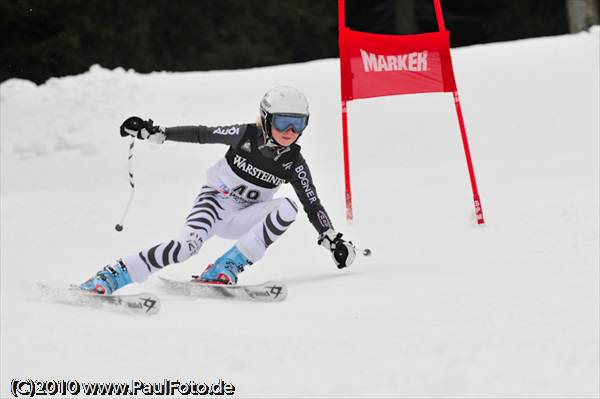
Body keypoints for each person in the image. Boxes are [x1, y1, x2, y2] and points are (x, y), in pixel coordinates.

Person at [80, 86, 356, 294]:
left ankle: (226, 266)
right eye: (283, 121)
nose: (290, 130)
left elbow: (312, 204)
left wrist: (331, 238)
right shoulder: (245, 135)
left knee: (288, 207)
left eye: (298, 123)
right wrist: (159, 133)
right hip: (214, 203)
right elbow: (203, 133)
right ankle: (112, 276)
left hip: (244, 217)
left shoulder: (293, 162)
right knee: (184, 249)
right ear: (266, 117)